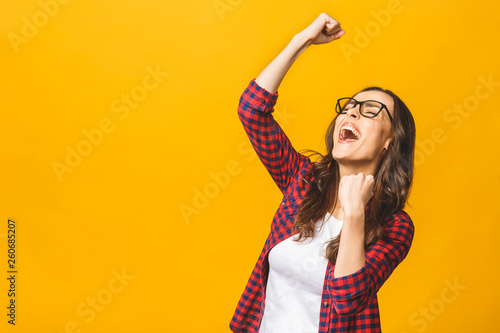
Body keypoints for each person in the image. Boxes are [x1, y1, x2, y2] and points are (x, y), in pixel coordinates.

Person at [229, 12, 416, 333]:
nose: (353, 112)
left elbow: (346, 301)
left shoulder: (395, 227)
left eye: (370, 111)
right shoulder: (302, 180)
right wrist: (301, 41)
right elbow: (252, 111)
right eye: (349, 107)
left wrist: (356, 213)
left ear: (389, 141)